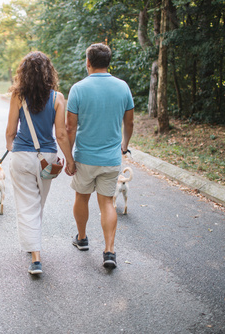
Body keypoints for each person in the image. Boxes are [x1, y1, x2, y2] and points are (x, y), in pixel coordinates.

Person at [5, 51, 76, 275]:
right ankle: (34, 248)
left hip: (21, 157)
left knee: (28, 205)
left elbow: (10, 131)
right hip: (48, 160)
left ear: (23, 73)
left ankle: (35, 257)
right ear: (49, 72)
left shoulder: (18, 96)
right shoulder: (58, 98)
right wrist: (70, 160)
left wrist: (10, 147)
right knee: (38, 203)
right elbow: (62, 135)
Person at [66, 43, 134, 269]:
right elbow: (130, 122)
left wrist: (69, 157)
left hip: (85, 157)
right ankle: (109, 252)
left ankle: (82, 239)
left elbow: (70, 128)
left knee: (82, 197)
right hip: (111, 159)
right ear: (108, 62)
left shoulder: (78, 88)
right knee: (107, 203)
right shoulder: (123, 87)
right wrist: (124, 145)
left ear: (88, 62)